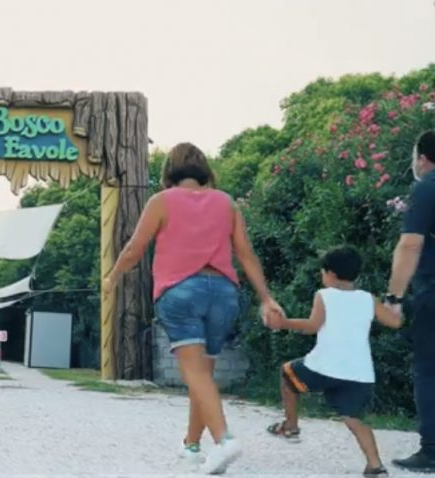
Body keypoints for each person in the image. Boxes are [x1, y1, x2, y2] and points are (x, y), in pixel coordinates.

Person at [103, 142, 284, 474]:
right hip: (224, 293)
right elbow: (246, 254)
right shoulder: (226, 202)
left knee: (195, 375)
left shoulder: (161, 201)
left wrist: (112, 277)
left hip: (181, 291)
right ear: (204, 170)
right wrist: (266, 297)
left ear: (169, 170)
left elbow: (134, 248)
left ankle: (224, 440)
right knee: (204, 376)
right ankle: (191, 446)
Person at [266, 247, 401, 477]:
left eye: (323, 272)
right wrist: (393, 301)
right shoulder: (368, 299)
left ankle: (291, 426)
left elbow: (312, 326)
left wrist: (283, 323)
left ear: (331, 274)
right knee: (355, 419)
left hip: (323, 366)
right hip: (359, 373)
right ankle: (375, 466)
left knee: (287, 373)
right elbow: (395, 322)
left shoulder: (324, 295)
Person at [385, 131, 435, 472]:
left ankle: (432, 449)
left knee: (429, 370)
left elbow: (410, 245)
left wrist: (393, 297)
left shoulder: (428, 186)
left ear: (422, 158)